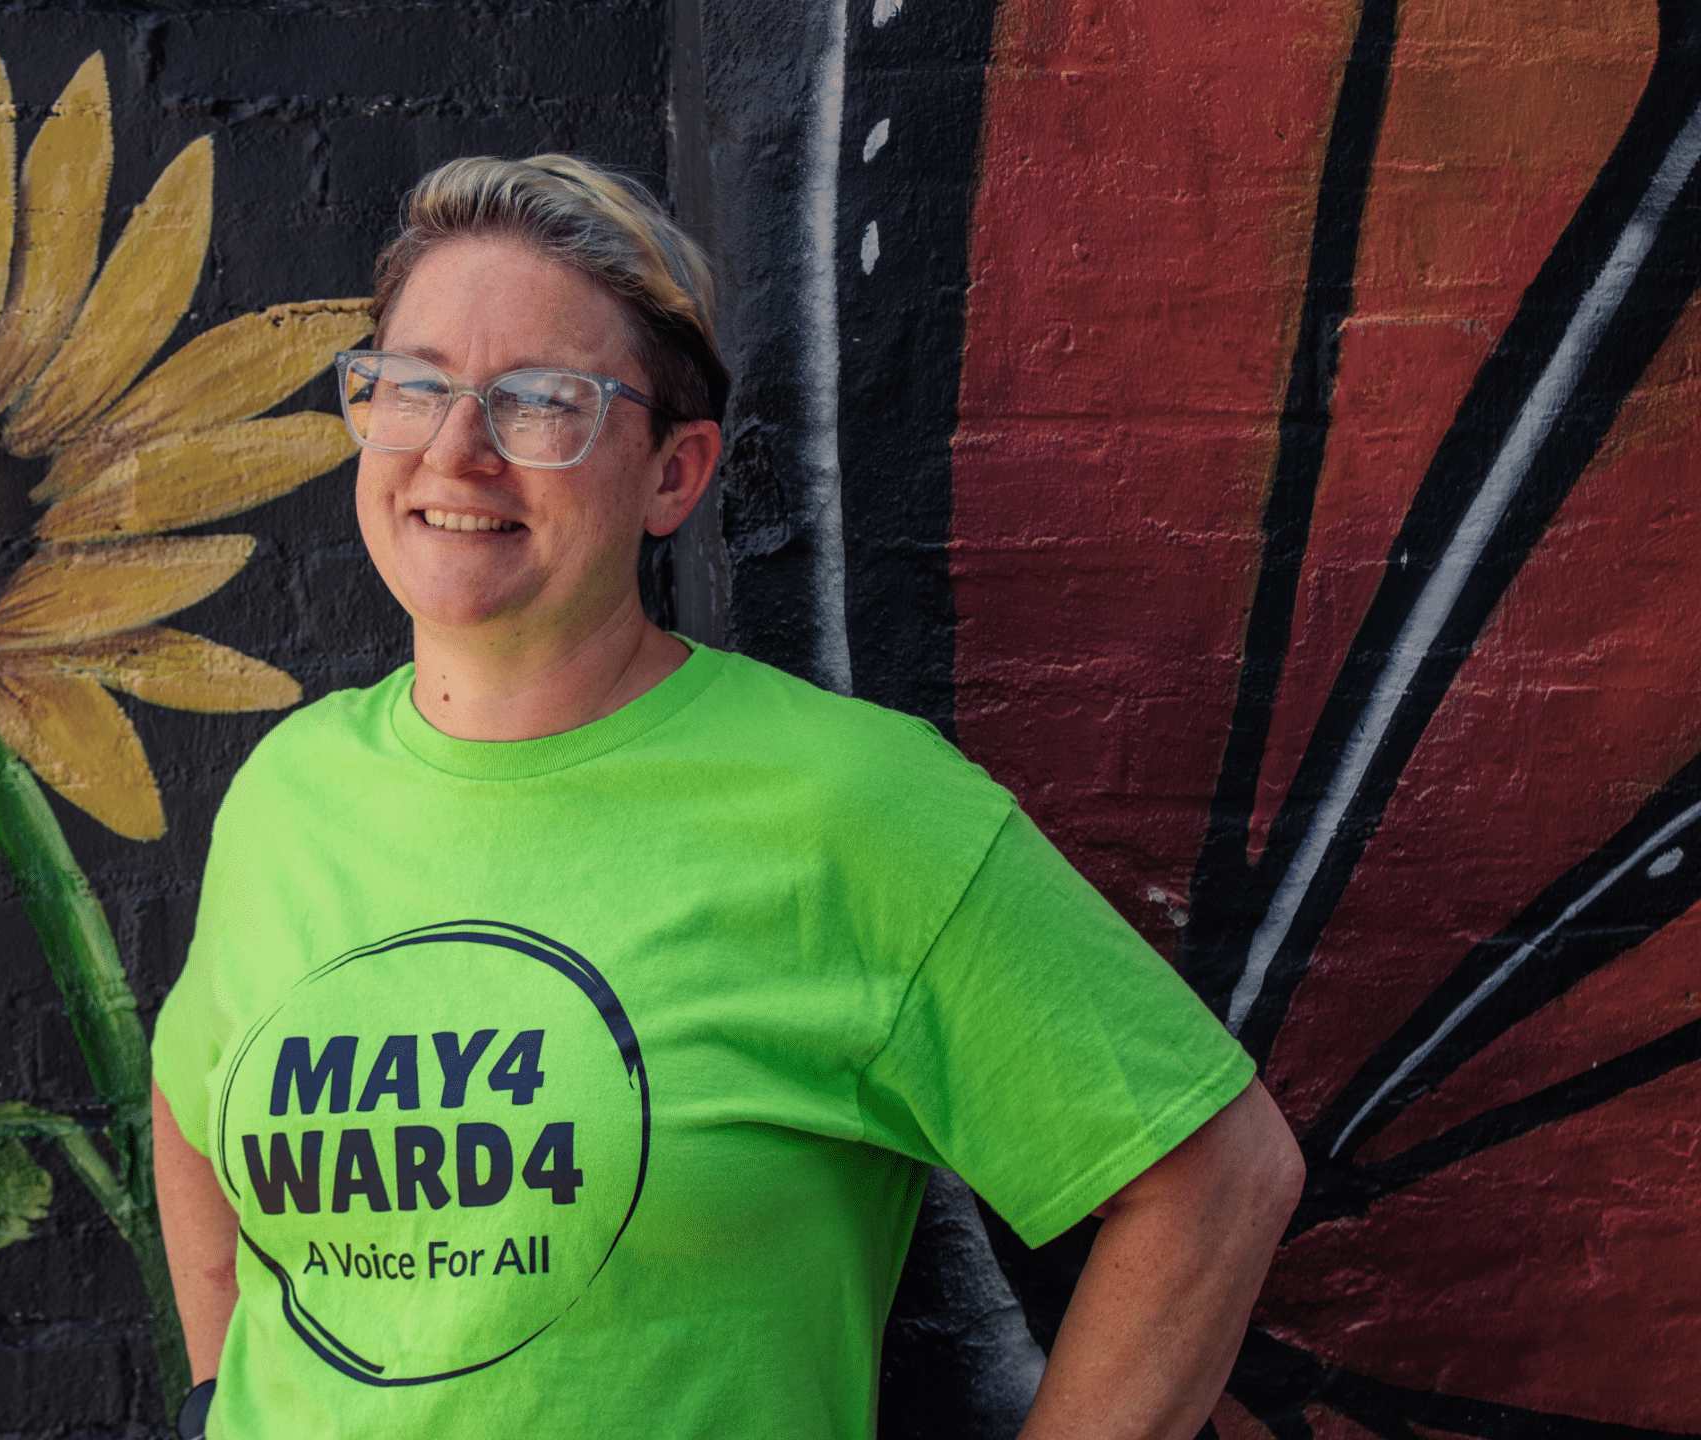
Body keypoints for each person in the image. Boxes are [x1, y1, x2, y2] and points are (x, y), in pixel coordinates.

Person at [148, 154, 1302, 1440]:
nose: (456, 450)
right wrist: (217, 1400)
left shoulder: (849, 806)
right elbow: (191, 1097)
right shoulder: (292, 790)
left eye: (542, 403)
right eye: (411, 387)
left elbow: (1215, 1176)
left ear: (672, 474)